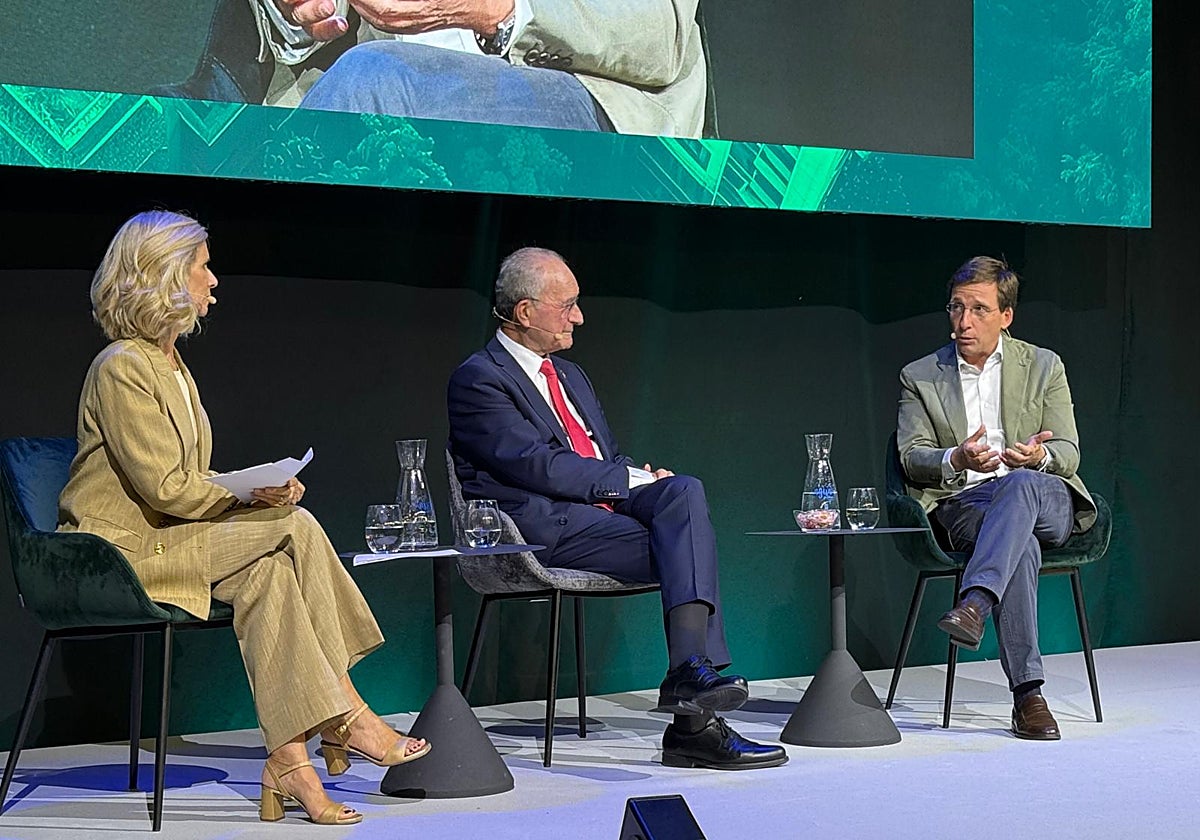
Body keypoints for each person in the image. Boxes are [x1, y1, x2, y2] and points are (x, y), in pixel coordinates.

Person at [57, 211, 430, 825]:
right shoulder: (122, 365)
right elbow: (165, 487)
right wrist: (249, 499)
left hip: (171, 539)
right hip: (119, 556)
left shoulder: (170, 363)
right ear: (164, 276)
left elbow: (186, 482)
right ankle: (348, 712)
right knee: (296, 527)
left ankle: (289, 766)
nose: (213, 279)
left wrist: (259, 485)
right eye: (202, 265)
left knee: (269, 578)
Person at [447, 247, 787, 770]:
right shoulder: (480, 378)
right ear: (525, 312)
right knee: (688, 548)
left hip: (598, 516)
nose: (578, 317)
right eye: (568, 306)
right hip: (539, 529)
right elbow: (537, 466)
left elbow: (599, 457)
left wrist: (644, 477)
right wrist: (628, 480)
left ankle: (689, 675)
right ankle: (694, 722)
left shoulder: (571, 376)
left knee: (684, 493)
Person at [896, 256, 1097, 740]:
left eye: (979, 310)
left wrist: (1038, 456)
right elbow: (910, 457)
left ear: (1006, 316)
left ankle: (975, 602)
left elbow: (1069, 452)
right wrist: (957, 459)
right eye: (956, 308)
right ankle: (1028, 696)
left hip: (1043, 495)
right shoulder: (920, 376)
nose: (964, 322)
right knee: (1018, 544)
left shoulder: (1044, 365)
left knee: (1022, 487)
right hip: (967, 505)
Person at [247, 0, 709, 137]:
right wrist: (304, 13)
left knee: (375, 82)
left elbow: (659, 37)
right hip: (380, 77)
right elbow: (303, 25)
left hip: (587, 94)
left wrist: (495, 11)